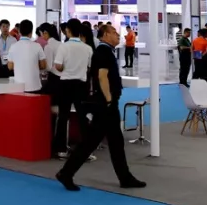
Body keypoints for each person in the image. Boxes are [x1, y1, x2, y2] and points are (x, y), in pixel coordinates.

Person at [56, 23, 145, 191]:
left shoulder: (105, 52)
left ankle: (124, 177)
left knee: (110, 141)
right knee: (95, 142)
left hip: (105, 103)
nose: (117, 35)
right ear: (104, 35)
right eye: (113, 32)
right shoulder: (103, 52)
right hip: (105, 105)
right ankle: (66, 173)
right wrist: (109, 100)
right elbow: (102, 77)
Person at [53, 18, 92, 158]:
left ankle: (61, 149)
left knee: (63, 116)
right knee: (82, 117)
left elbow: (58, 66)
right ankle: (86, 151)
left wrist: (65, 68)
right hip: (81, 85)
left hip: (65, 84)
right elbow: (89, 67)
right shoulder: (87, 48)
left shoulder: (63, 47)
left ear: (68, 31)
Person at [8, 20, 46, 93]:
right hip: (35, 86)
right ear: (31, 32)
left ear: (19, 31)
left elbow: (10, 66)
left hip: (19, 86)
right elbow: (43, 65)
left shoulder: (13, 46)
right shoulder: (37, 46)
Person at [40, 23, 62, 95]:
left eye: (41, 34)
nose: (41, 36)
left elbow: (48, 67)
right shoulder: (61, 44)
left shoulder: (48, 46)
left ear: (45, 32)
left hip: (54, 77)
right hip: (63, 77)